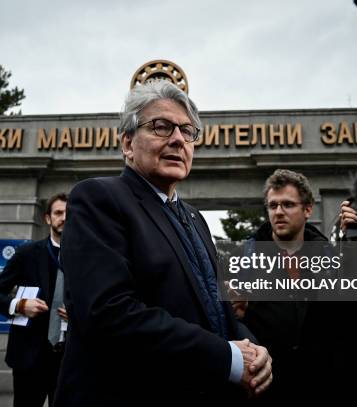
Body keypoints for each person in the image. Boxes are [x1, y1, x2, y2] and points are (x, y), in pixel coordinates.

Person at [54, 80, 272, 406]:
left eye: (187, 131)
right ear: (128, 143)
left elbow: (216, 308)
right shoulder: (98, 198)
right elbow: (109, 313)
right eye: (161, 126)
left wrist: (252, 349)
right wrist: (226, 357)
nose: (177, 139)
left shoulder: (196, 219)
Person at [236, 169, 357, 406]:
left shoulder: (331, 259)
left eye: (288, 204)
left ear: (308, 209)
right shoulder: (243, 262)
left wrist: (354, 241)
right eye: (273, 205)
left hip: (322, 388)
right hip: (266, 391)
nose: (278, 212)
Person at [0, 193, 67, 407]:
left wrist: (80, 312)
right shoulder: (27, 253)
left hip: (70, 360)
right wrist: (20, 305)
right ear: (48, 218)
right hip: (30, 359)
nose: (64, 218)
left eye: (71, 214)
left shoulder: (86, 257)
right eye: (59, 213)